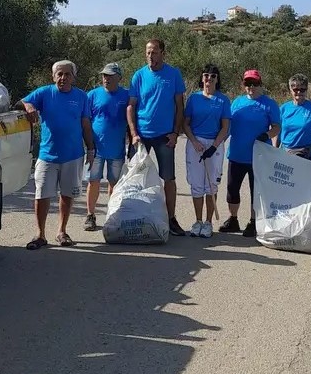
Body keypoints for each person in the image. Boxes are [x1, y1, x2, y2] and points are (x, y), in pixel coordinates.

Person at [21, 60, 94, 250]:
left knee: (67, 195)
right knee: (42, 194)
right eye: (59, 74)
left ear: (73, 76)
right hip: (47, 155)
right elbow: (22, 101)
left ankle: (62, 231)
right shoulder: (44, 93)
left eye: (67, 74)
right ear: (53, 76)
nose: (63, 78)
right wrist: (28, 106)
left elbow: (86, 124)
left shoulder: (81, 97)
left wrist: (91, 149)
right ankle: (40, 234)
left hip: (73, 155)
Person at [127, 38, 187, 236]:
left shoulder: (174, 74)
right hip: (141, 137)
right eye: (147, 52)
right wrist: (134, 134)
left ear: (163, 53)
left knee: (168, 179)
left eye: (154, 52)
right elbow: (131, 107)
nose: (150, 56)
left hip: (165, 137)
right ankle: (133, 216)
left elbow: (180, 106)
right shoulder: (139, 75)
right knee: (134, 178)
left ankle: (171, 219)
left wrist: (175, 133)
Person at [221, 69, 281, 238]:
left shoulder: (269, 104)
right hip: (236, 154)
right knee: (232, 189)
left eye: (254, 84)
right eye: (247, 83)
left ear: (260, 85)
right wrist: (216, 144)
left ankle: (254, 222)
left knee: (256, 191)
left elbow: (277, 127)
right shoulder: (237, 103)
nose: (251, 87)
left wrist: (267, 135)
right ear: (243, 85)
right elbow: (228, 126)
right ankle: (233, 219)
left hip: (258, 156)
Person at [183, 64, 231, 238]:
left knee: (211, 185)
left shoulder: (223, 100)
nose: (208, 79)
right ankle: (198, 221)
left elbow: (225, 127)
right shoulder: (194, 99)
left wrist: (214, 147)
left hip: (214, 145)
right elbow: (185, 124)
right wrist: (194, 141)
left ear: (217, 79)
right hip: (195, 144)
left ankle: (209, 222)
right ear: (202, 78)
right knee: (196, 184)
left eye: (212, 76)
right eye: (205, 75)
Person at [84, 62, 129, 231]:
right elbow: (85, 120)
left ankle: (112, 215)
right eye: (104, 75)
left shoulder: (126, 95)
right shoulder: (93, 95)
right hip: (95, 148)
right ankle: (90, 215)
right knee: (93, 181)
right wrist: (87, 143)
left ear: (119, 77)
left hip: (117, 148)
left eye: (110, 76)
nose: (106, 79)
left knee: (114, 183)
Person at [276, 73, 311, 160]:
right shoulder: (283, 109)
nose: (299, 92)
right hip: (285, 154)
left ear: (306, 90)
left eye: (302, 89)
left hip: (306, 155)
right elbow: (277, 133)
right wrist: (274, 152)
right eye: (295, 89)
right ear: (290, 89)